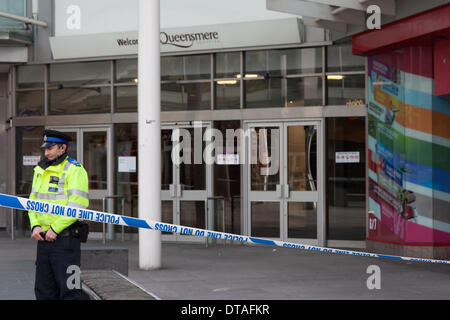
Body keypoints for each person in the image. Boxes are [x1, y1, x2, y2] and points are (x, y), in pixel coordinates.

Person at [28, 129, 89, 300]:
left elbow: (78, 205)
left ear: (62, 148)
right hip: (43, 239)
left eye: (50, 148)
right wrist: (35, 225)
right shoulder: (40, 169)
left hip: (66, 241)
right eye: (45, 149)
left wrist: (55, 229)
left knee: (71, 290)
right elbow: (32, 202)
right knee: (44, 291)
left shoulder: (75, 170)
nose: (46, 152)